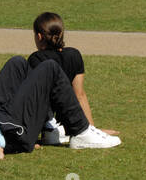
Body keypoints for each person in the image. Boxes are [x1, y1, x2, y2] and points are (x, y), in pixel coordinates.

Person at [29, 12, 119, 141]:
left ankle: (51, 129)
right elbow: (80, 94)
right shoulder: (74, 55)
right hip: (69, 120)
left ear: (39, 36)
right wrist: (91, 129)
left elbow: (35, 99)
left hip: (48, 123)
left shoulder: (36, 59)